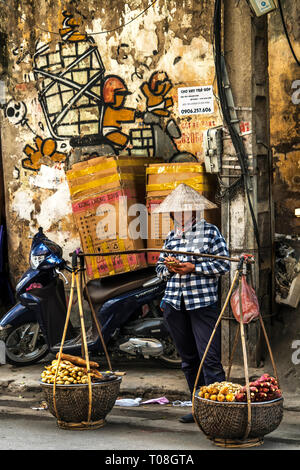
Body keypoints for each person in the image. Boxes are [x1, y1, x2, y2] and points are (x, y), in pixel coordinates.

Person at [154, 184, 230, 423]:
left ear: (195, 211)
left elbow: (224, 265)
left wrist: (194, 267)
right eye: (177, 211)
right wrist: (169, 269)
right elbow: (158, 269)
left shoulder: (210, 233)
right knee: (188, 359)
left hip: (203, 304)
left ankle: (219, 407)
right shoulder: (170, 237)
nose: (181, 215)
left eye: (186, 210)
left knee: (210, 358)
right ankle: (199, 406)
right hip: (175, 304)